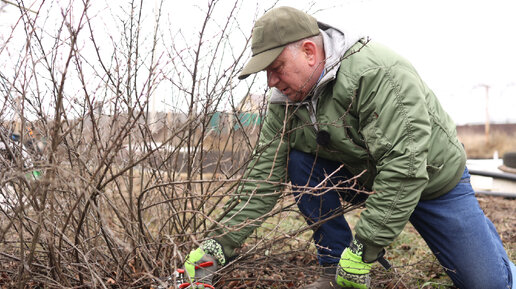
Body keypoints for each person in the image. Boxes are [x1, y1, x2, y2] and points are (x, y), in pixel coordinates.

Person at [172, 6, 516, 289]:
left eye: (276, 69)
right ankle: (334, 269)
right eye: (267, 74)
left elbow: (405, 168)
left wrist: (363, 249)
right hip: (362, 179)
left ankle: (483, 245)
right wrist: (217, 245)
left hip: (431, 183)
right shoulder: (285, 100)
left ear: (309, 51)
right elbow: (263, 177)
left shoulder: (377, 73)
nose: (271, 82)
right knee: (297, 158)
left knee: (488, 285)